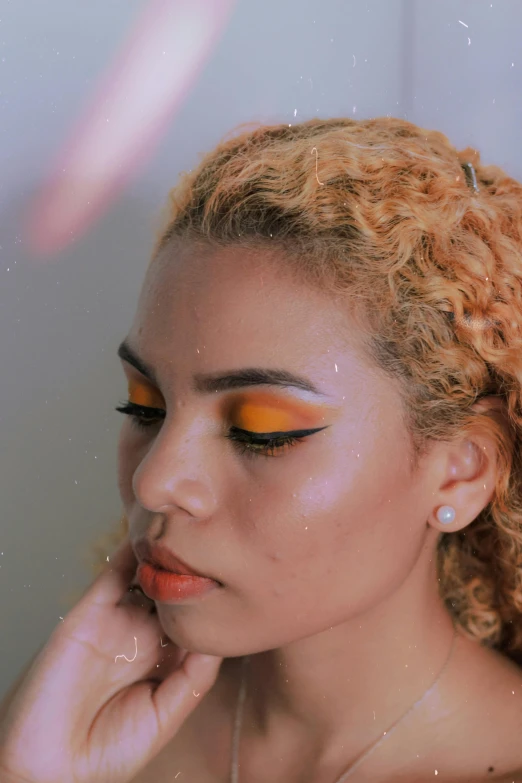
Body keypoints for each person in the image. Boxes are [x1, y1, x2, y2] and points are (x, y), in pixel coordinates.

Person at [2, 116, 522, 783]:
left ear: (462, 471)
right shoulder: (89, 737)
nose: (155, 481)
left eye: (261, 431)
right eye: (145, 407)